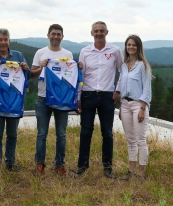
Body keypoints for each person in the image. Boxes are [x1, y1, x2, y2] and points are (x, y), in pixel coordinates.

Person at [74, 21, 124, 179]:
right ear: (91, 33)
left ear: (107, 32)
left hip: (107, 96)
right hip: (88, 94)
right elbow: (81, 75)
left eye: (102, 31)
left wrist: (118, 90)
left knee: (107, 133)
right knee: (85, 132)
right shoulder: (85, 51)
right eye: (96, 31)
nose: (99, 33)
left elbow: (122, 71)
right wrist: (78, 97)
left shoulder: (115, 50)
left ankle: (108, 168)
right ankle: (82, 166)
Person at [31, 24, 76, 175]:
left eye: (58, 34)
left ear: (62, 36)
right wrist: (41, 67)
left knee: (61, 135)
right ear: (48, 35)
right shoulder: (40, 52)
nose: (56, 37)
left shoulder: (68, 53)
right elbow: (32, 74)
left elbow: (71, 76)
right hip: (43, 98)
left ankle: (59, 164)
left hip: (62, 99)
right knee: (41, 133)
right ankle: (39, 164)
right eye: (53, 34)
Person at [0, 28, 34, 174]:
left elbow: (27, 76)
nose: (3, 42)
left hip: (15, 102)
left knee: (12, 135)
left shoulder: (18, 55)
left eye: (5, 39)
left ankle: (10, 163)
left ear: (9, 40)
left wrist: (26, 68)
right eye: (0, 40)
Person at [119, 35, 152, 182]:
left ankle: (141, 173)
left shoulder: (143, 65)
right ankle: (131, 171)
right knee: (130, 139)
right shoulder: (124, 65)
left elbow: (146, 89)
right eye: (128, 45)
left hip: (138, 104)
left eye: (134, 45)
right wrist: (120, 106)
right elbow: (121, 85)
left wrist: (142, 108)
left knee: (140, 139)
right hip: (125, 104)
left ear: (138, 47)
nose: (131, 47)